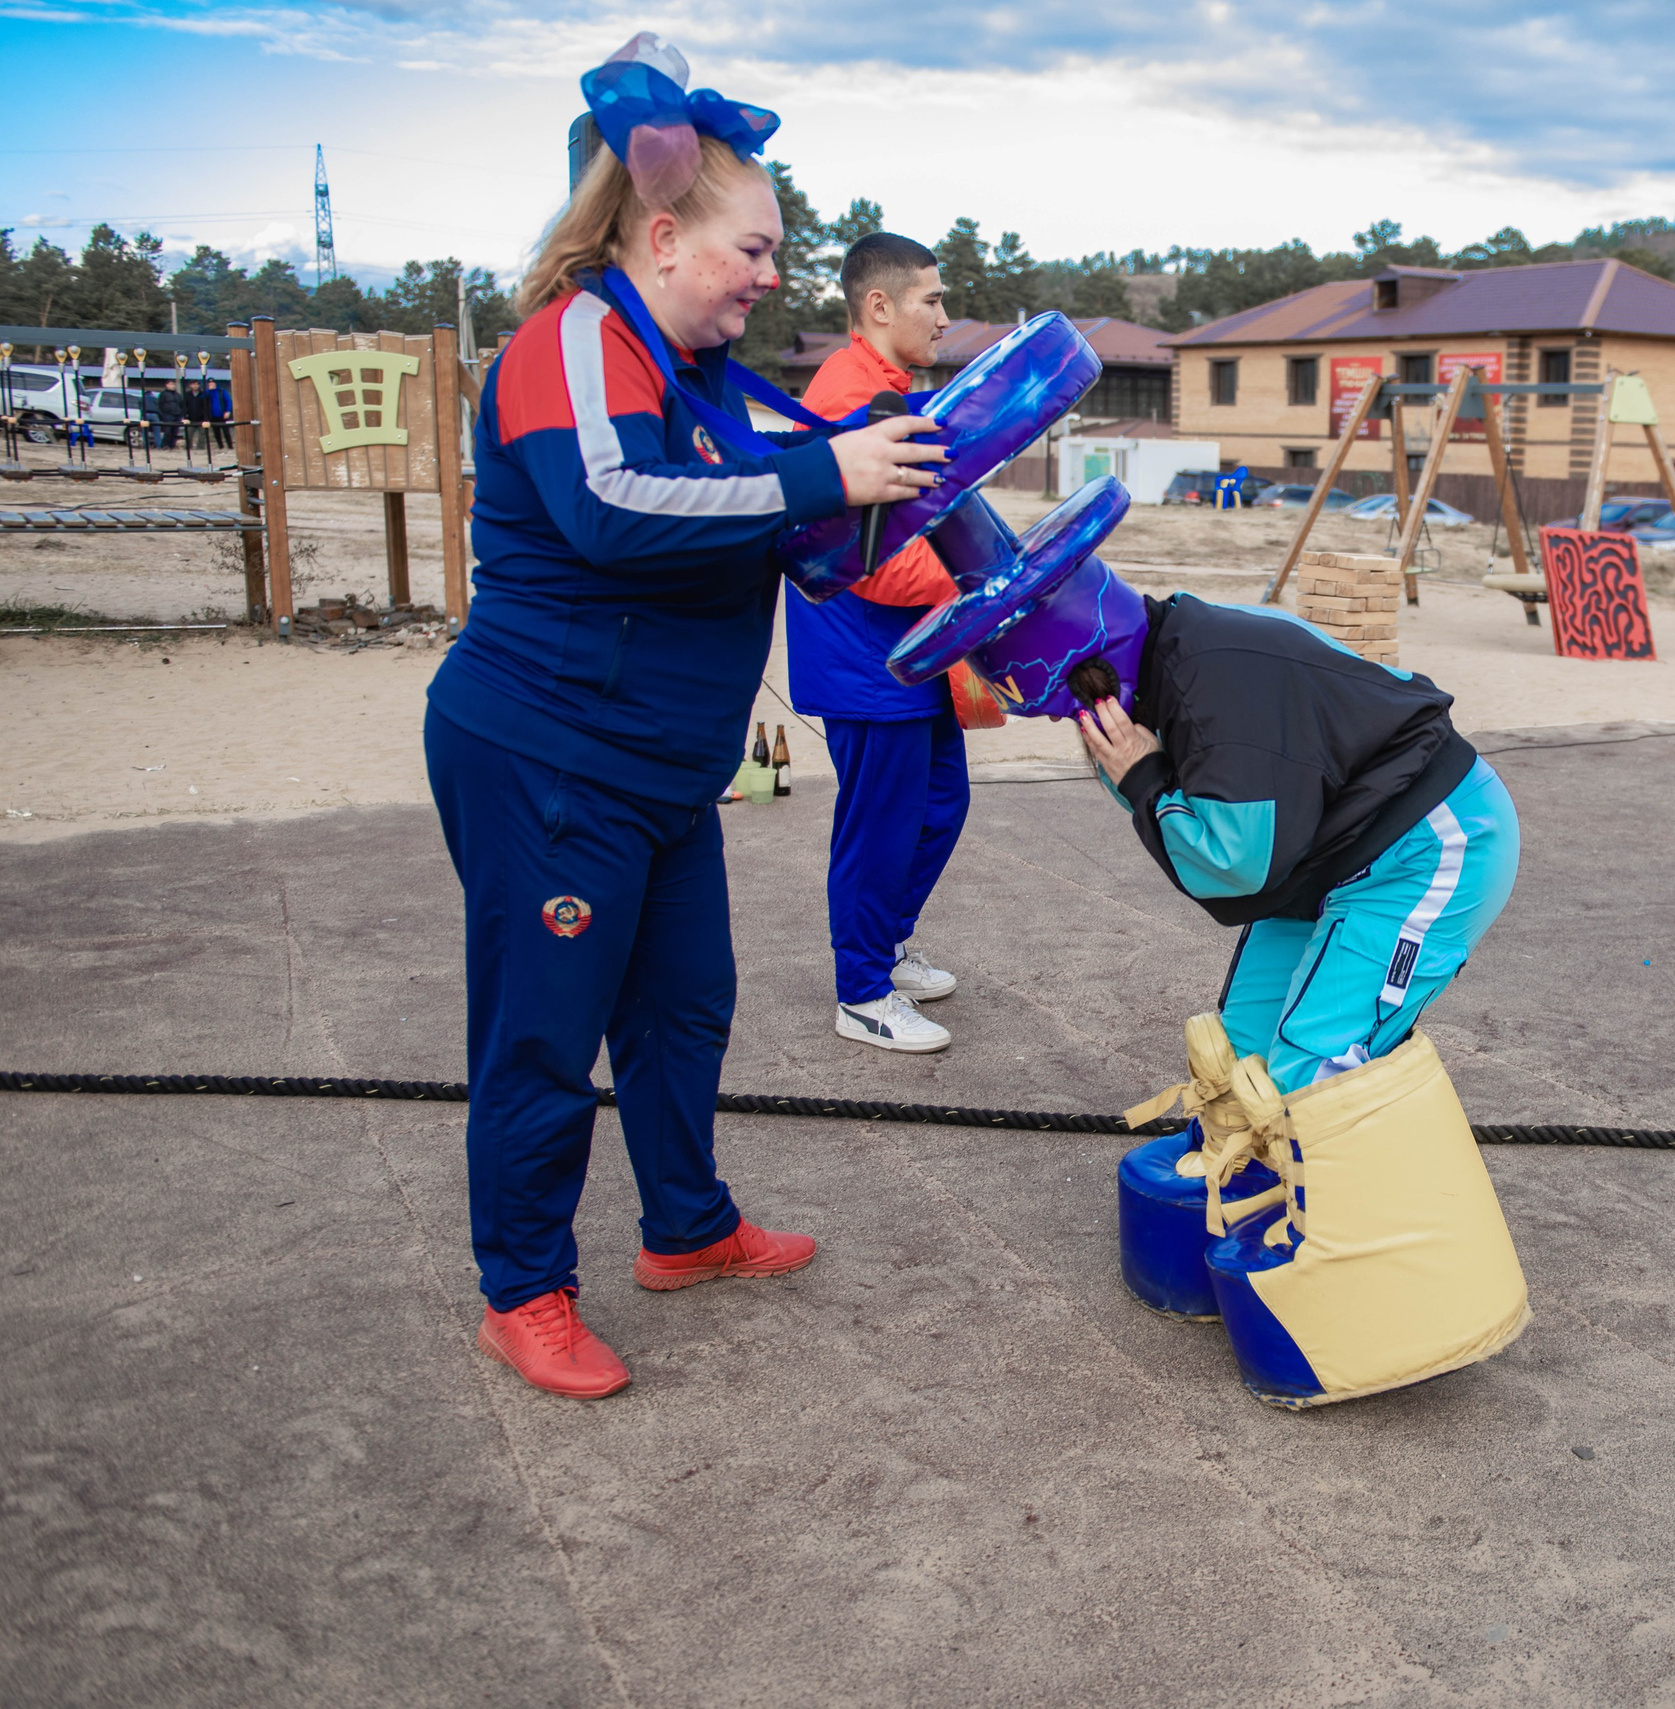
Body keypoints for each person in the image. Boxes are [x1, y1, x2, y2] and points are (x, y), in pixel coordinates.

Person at [422, 32, 944, 1400]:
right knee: (541, 1031)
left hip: (659, 770)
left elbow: (760, 517)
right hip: (548, 752)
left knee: (684, 1007)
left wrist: (860, 508)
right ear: (661, 235)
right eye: (755, 250)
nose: (775, 277)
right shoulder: (574, 341)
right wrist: (817, 482)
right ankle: (522, 1289)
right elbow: (612, 507)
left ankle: (688, 1230)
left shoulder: (706, 380)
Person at [886, 541, 1531, 1407]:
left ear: (1092, 673)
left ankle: (1358, 1303)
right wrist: (1146, 775)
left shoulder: (1215, 685)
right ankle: (1245, 1226)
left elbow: (1231, 867)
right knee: (1240, 1052)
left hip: (1426, 845)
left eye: (1066, 710)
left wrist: (1142, 778)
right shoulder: (1171, 643)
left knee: (1312, 1069)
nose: (1071, 729)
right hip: (1329, 849)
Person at [784, 233, 967, 1054]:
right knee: (880, 825)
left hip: (909, 651)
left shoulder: (889, 393)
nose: (944, 315)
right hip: (866, 655)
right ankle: (860, 991)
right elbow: (873, 563)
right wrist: (972, 589)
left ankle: (884, 946)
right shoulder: (849, 400)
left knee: (939, 805)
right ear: (878, 306)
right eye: (930, 299)